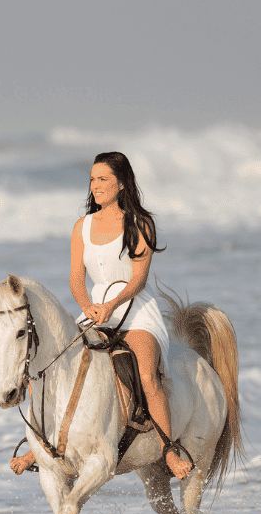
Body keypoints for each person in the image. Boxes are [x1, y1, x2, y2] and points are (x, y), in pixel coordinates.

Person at [68, 151, 190, 480]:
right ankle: (44, 443)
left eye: (103, 179)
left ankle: (169, 449)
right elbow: (76, 280)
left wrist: (111, 305)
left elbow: (138, 279)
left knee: (148, 377)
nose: (95, 185)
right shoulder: (82, 226)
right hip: (95, 312)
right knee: (58, 360)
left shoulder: (139, 223)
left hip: (137, 312)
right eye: (92, 179)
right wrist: (88, 308)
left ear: (121, 184)